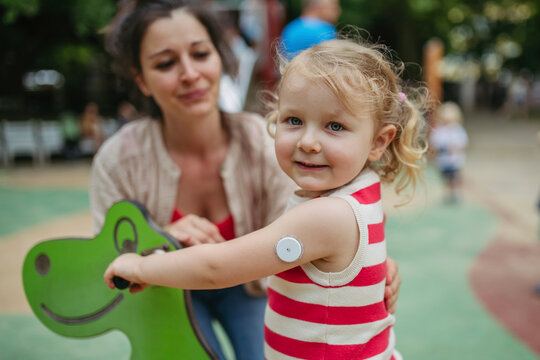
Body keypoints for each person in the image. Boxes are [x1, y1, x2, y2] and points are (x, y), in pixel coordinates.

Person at [104, 37, 428, 359]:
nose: (308, 142)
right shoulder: (362, 188)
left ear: (378, 142)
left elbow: (217, 267)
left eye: (334, 126)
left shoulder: (326, 215)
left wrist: (142, 267)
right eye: (294, 120)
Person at [429, 101, 468, 203]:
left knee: (454, 177)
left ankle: (454, 193)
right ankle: (448, 193)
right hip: (443, 161)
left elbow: (463, 143)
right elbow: (434, 143)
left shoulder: (458, 130)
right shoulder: (439, 130)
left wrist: (455, 148)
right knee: (445, 178)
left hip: (454, 161)